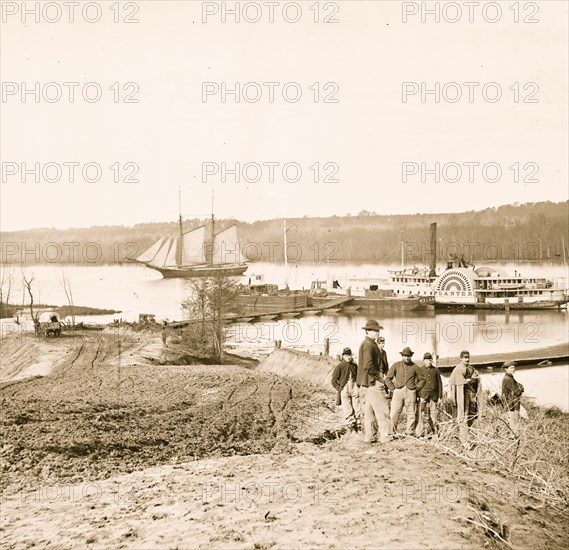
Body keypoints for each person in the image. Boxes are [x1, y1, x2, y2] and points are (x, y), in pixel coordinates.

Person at [356, 319, 392, 444]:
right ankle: (385, 435)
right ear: (367, 331)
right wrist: (379, 377)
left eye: (378, 330)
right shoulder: (369, 345)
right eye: (374, 330)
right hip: (373, 381)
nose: (377, 333)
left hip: (368, 382)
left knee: (369, 410)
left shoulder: (368, 343)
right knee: (382, 408)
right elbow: (368, 365)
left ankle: (370, 436)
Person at [385, 347, 425, 436]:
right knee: (394, 413)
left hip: (411, 392)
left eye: (409, 356)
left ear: (411, 356)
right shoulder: (396, 365)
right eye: (405, 356)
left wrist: (416, 388)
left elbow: (422, 379)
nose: (407, 358)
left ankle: (409, 432)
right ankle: (392, 432)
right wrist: (393, 389)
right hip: (398, 391)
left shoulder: (415, 366)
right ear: (402, 356)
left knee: (411, 413)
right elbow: (388, 378)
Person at [449, 350, 480, 446]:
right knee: (462, 417)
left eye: (468, 357)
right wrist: (468, 381)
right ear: (461, 359)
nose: (467, 359)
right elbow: (454, 383)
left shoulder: (471, 369)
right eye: (465, 358)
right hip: (460, 396)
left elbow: (476, 378)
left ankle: (466, 437)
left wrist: (471, 380)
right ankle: (464, 441)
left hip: (469, 396)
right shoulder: (457, 369)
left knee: (469, 416)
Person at [331, 347, 362, 432]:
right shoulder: (339, 367)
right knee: (347, 408)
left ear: (352, 356)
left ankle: (359, 425)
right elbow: (333, 380)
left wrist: (358, 385)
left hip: (354, 386)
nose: (348, 357)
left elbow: (359, 376)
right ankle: (351, 427)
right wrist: (339, 388)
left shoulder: (355, 366)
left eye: (349, 355)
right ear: (343, 356)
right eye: (346, 355)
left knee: (357, 407)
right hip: (344, 388)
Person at [415, 352, 443, 438]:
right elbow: (417, 383)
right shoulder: (420, 370)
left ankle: (433, 432)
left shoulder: (436, 370)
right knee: (421, 414)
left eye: (430, 360)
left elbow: (439, 384)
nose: (429, 362)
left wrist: (439, 397)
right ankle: (420, 432)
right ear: (423, 360)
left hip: (433, 397)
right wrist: (417, 395)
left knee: (433, 415)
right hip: (423, 396)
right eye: (427, 360)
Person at [501, 361, 524, 435]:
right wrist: (521, 387)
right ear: (506, 369)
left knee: (513, 424)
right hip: (511, 406)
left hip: (511, 404)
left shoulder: (510, 378)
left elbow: (518, 388)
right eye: (511, 368)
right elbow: (517, 390)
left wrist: (520, 387)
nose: (514, 369)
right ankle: (514, 439)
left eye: (514, 367)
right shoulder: (508, 379)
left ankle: (513, 438)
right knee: (514, 425)